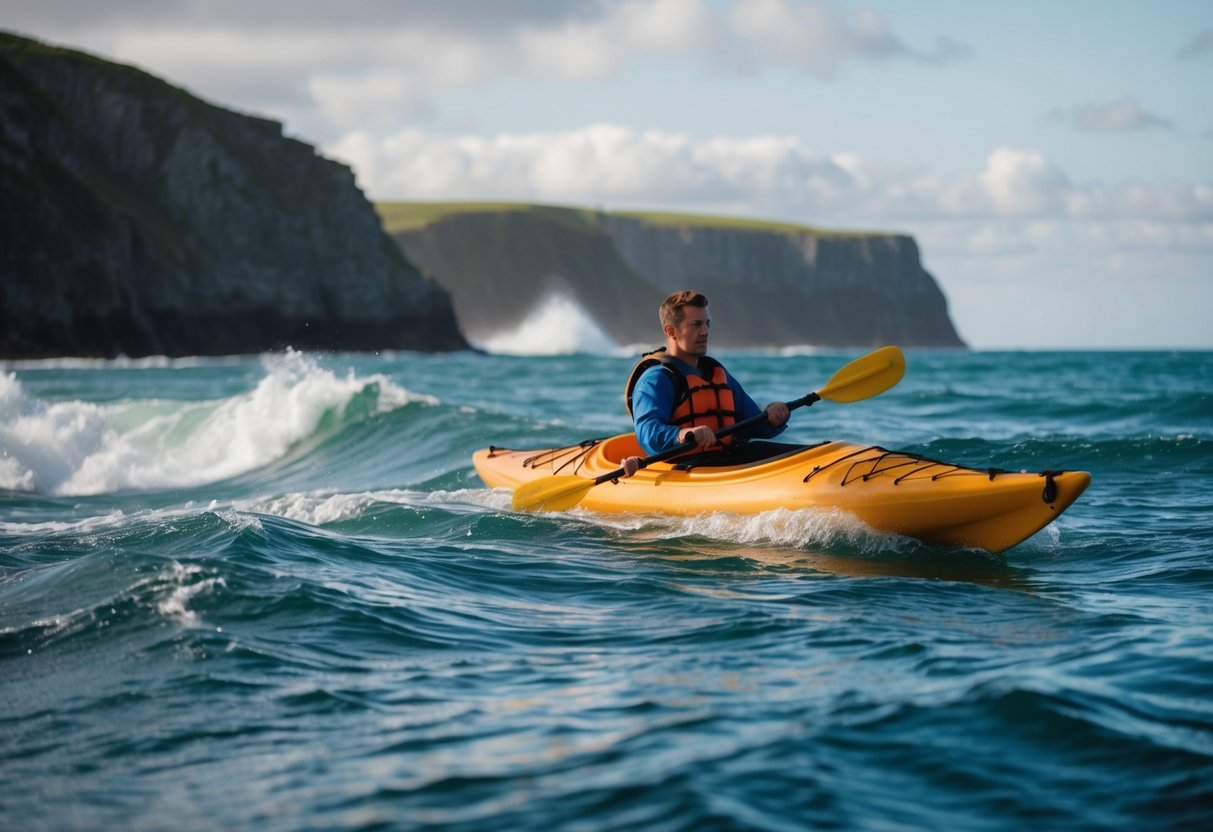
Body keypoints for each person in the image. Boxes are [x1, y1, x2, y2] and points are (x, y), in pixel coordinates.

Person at [621, 290, 790, 477]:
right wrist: (685, 434)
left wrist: (773, 416)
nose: (705, 332)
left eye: (707, 324)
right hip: (687, 467)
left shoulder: (715, 372)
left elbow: (752, 423)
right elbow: (648, 432)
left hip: (728, 457)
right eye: (696, 325)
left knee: (809, 452)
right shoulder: (657, 378)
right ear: (671, 331)